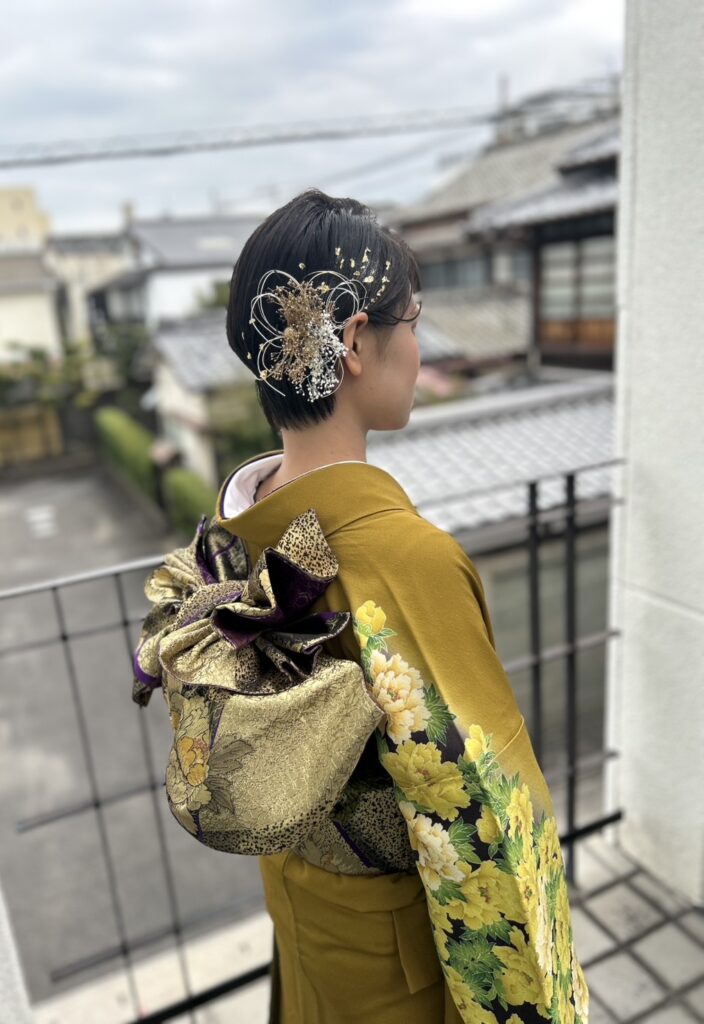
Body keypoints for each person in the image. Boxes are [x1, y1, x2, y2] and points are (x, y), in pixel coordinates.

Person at [142, 188, 590, 1023]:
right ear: (353, 343)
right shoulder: (407, 562)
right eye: (412, 321)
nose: (418, 348)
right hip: (400, 977)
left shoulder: (240, 530)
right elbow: (489, 821)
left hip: (312, 927)